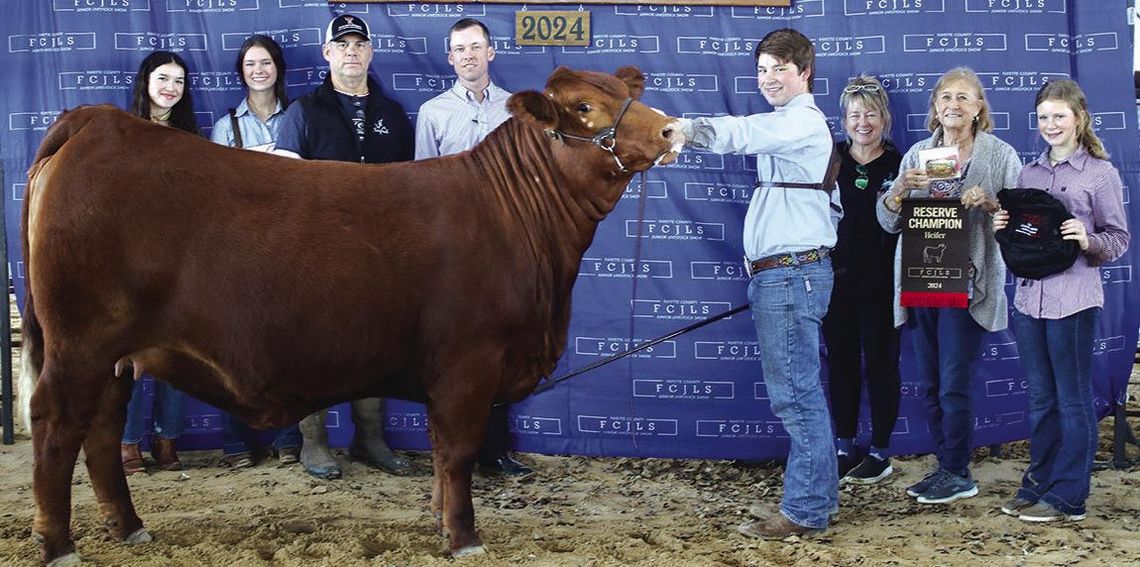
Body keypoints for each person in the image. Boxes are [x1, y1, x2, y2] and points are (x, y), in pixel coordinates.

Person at [679, 28, 841, 539]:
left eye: (780, 69)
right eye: (763, 70)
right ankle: (815, 501)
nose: (769, 78)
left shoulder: (799, 123)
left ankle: (806, 512)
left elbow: (739, 134)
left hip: (791, 275)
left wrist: (677, 129)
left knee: (797, 396)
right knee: (799, 394)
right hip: (787, 275)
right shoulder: (788, 123)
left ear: (804, 73)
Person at [275, 14, 414, 479]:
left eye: (359, 44)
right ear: (327, 53)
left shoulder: (393, 114)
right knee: (311, 348)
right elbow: (283, 190)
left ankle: (370, 438)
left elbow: (407, 193)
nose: (351, 51)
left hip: (380, 259)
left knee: (375, 347)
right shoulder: (302, 112)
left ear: (371, 52)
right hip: (315, 258)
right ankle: (313, 442)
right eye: (343, 45)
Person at [876, 67, 1021, 504]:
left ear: (979, 108)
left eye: (963, 97)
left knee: (954, 382)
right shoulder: (917, 155)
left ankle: (957, 471)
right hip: (922, 283)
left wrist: (992, 203)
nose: (953, 105)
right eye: (945, 98)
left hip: (968, 286)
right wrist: (900, 189)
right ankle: (945, 465)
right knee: (932, 383)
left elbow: (1021, 224)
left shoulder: (999, 155)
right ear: (935, 108)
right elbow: (887, 222)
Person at [993, 79, 1130, 522]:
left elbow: (1119, 240)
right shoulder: (1027, 174)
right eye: (1043, 118)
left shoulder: (1099, 173)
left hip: (1074, 299)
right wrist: (1004, 228)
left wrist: (1087, 239)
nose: (1050, 125)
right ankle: (1039, 481)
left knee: (1072, 400)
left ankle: (1070, 495)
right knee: (1041, 399)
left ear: (1079, 119)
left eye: (1059, 116)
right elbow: (1023, 238)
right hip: (1030, 300)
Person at [413, 17, 532, 478]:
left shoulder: (515, 110)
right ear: (450, 57)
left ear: (491, 53)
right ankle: (452, 455)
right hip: (450, 252)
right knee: (451, 349)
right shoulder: (433, 112)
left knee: (499, 344)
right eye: (459, 49)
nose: (468, 55)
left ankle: (495, 451)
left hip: (506, 244)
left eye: (475, 47)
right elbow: (422, 188)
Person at [210, 35, 302, 468]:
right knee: (233, 346)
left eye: (266, 62)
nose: (259, 70)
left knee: (285, 343)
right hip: (238, 251)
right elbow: (215, 195)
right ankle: (236, 443)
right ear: (241, 72)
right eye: (251, 64)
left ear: (278, 68)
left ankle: (287, 439)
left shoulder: (299, 116)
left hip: (289, 247)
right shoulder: (225, 126)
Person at [120, 51, 198, 475]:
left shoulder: (191, 138)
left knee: (176, 355)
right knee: (131, 357)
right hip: (133, 260)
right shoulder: (124, 136)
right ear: (146, 82)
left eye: (180, 81)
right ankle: (127, 442)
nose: (171, 87)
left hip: (181, 262)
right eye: (164, 78)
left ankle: (168, 440)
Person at [823, 76, 902, 485]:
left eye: (871, 113)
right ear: (844, 120)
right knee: (841, 365)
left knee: (882, 366)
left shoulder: (901, 163)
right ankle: (844, 444)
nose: (863, 122)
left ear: (885, 118)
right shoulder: (830, 158)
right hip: (835, 281)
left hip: (884, 284)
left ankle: (881, 451)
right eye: (855, 114)